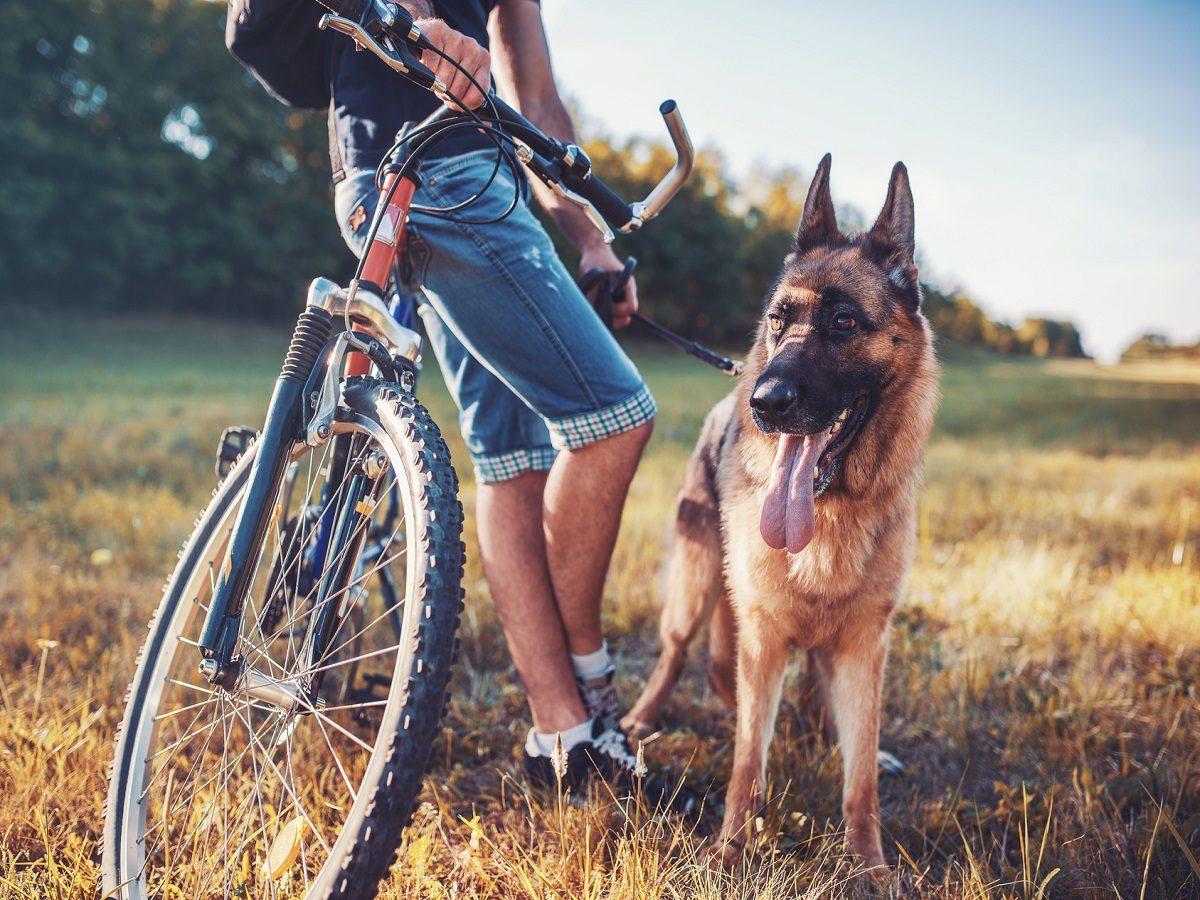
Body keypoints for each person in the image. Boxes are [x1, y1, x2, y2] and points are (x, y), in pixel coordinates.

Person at [322, 0, 674, 796]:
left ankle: (563, 738)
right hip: (439, 175)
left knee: (510, 462)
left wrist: (590, 239)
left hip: (440, 178)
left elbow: (537, 107)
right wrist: (422, 24)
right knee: (614, 419)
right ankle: (590, 679)